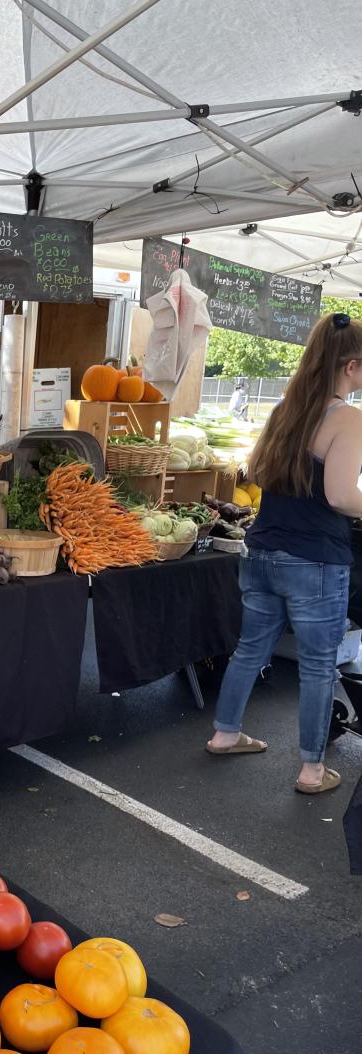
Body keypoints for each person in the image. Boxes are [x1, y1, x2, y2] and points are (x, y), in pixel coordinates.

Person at [206, 312, 362, 793]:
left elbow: (252, 471)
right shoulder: (348, 418)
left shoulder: (284, 411)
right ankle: (313, 770)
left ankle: (224, 734)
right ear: (351, 366)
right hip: (315, 559)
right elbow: (340, 495)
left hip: (262, 552)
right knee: (318, 665)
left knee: (250, 648)